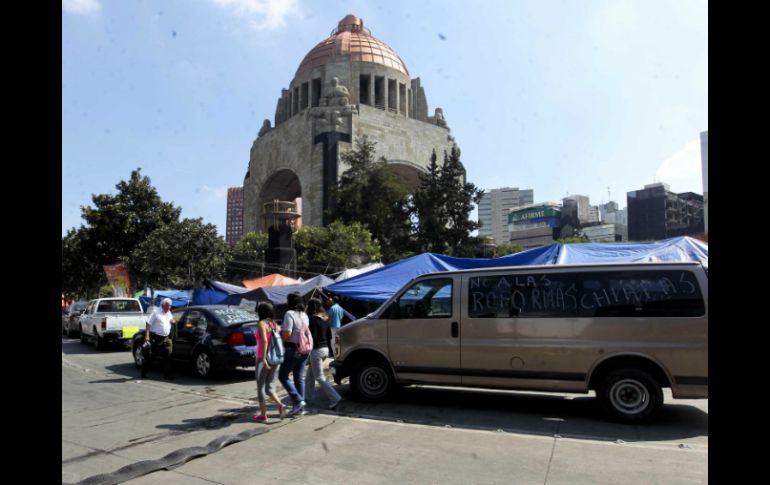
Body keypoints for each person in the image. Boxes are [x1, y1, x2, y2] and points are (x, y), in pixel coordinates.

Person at [305, 298, 342, 410]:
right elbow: (329, 336)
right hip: (325, 349)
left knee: (319, 377)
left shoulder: (312, 320)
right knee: (310, 376)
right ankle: (308, 398)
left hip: (316, 350)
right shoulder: (325, 318)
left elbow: (312, 338)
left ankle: (335, 398)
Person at [278, 292, 311, 417]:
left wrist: (279, 333)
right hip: (304, 349)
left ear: (289, 302)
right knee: (299, 377)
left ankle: (298, 401)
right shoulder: (304, 315)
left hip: (293, 349)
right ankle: (300, 407)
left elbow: (287, 335)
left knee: (283, 376)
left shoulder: (289, 314)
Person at [253, 301, 286, 423]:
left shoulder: (262, 324)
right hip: (275, 359)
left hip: (264, 358)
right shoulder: (274, 324)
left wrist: (263, 359)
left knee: (260, 387)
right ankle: (280, 405)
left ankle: (263, 415)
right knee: (269, 387)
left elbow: (264, 341)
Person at [142, 297, 176, 380]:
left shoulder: (169, 312)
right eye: (168, 306)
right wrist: (147, 336)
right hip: (156, 337)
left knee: (168, 355)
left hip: (166, 338)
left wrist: (173, 321)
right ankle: (144, 372)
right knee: (151, 357)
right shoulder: (156, 312)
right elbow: (148, 323)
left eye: (170, 306)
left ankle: (167, 375)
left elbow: (171, 320)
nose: (169, 308)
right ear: (163, 305)